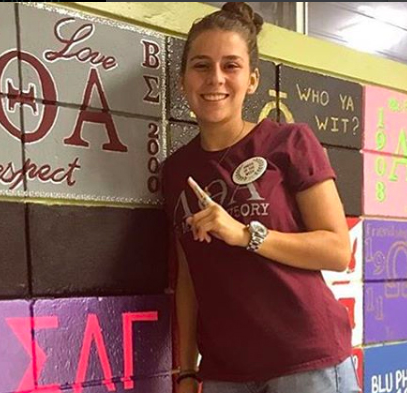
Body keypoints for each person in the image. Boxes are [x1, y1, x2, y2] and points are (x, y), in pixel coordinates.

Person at [161, 3, 361, 393]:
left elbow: (338, 250)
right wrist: (187, 370)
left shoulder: (289, 142)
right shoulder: (174, 172)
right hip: (224, 372)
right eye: (201, 66)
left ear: (252, 80)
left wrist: (244, 234)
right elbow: (188, 275)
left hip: (306, 361)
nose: (215, 78)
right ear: (183, 80)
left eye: (230, 66)